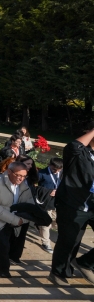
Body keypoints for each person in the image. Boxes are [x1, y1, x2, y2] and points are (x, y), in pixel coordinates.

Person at [49, 122, 94, 287]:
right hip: (72, 204)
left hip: (92, 204)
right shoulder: (79, 154)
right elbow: (72, 146)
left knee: (73, 241)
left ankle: (86, 263)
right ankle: (59, 272)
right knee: (70, 240)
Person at [0, 162, 34, 278]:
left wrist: (23, 219)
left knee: (2, 243)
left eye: (24, 176)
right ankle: (4, 269)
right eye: (18, 175)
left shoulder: (24, 186)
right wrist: (14, 219)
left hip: (15, 219)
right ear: (9, 171)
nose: (21, 178)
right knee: (4, 244)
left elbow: (30, 205)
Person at [37, 157, 63, 253]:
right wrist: (48, 192)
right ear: (49, 165)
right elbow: (34, 187)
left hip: (58, 201)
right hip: (46, 201)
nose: (56, 172)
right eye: (54, 169)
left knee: (58, 221)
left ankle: (39, 227)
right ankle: (46, 243)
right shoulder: (41, 173)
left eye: (59, 170)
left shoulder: (62, 173)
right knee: (46, 223)